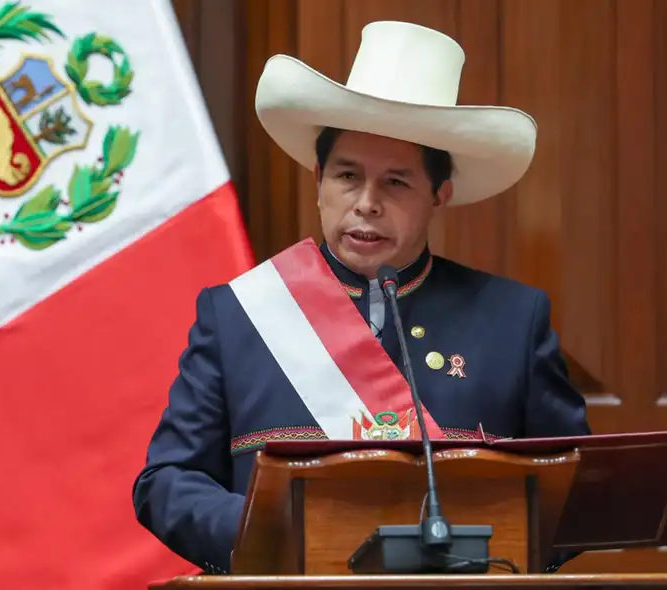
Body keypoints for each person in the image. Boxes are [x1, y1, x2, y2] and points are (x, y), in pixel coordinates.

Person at [132, 21, 590, 576]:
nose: (366, 203)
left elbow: (574, 492)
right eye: (347, 176)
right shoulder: (237, 317)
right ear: (319, 178)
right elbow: (168, 482)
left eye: (396, 183)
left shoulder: (513, 321)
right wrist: (277, 536)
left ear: (438, 195)